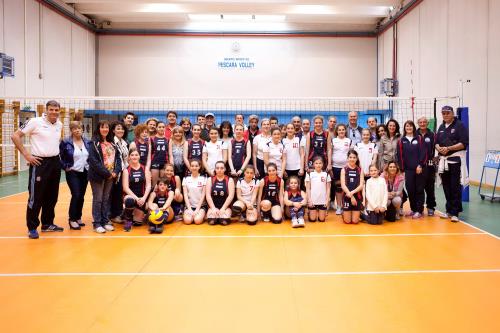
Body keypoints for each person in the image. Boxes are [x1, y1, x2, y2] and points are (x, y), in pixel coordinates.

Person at [11, 100, 64, 238]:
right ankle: (32, 227)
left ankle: (47, 224)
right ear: (46, 110)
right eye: (51, 109)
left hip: (55, 162)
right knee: (36, 197)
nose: (54, 112)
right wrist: (26, 155)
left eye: (56, 110)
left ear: (59, 111)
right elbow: (15, 136)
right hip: (40, 163)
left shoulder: (59, 124)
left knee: (52, 196)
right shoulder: (35, 121)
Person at [435, 105, 469, 222]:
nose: (445, 115)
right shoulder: (441, 126)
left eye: (447, 113)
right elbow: (436, 142)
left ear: (452, 113)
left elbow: (464, 143)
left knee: (455, 186)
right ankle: (448, 210)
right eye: (443, 113)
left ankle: (455, 212)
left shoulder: (459, 125)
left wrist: (449, 148)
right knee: (446, 187)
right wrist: (439, 148)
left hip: (455, 160)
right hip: (443, 161)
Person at [88, 120, 122, 233]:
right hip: (98, 176)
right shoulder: (93, 143)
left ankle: (105, 221)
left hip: (111, 176)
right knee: (98, 199)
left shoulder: (112, 143)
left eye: (107, 127)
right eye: (102, 127)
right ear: (98, 129)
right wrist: (107, 174)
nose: (105, 129)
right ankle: (97, 223)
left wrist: (115, 172)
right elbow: (93, 161)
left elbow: (118, 158)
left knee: (106, 199)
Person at [59, 121, 90, 230]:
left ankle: (78, 217)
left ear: (82, 129)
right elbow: (59, 157)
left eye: (79, 128)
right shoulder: (65, 142)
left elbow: (89, 157)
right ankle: (72, 219)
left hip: (85, 171)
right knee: (76, 194)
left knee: (81, 196)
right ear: (71, 130)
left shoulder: (87, 142)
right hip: (72, 172)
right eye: (74, 128)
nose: (77, 130)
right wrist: (65, 167)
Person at [396, 120, 427, 219]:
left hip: (418, 169)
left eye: (410, 126)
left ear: (413, 127)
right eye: (407, 126)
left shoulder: (419, 138)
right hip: (408, 170)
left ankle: (419, 210)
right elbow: (400, 156)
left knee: (419, 189)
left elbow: (424, 153)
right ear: (404, 128)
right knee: (410, 189)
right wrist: (402, 169)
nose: (408, 128)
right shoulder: (401, 141)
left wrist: (420, 165)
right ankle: (413, 209)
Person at [122, 149, 152, 231]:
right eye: (132, 155)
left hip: (142, 199)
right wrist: (136, 198)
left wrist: (144, 198)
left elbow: (148, 185)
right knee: (129, 201)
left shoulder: (145, 169)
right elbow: (125, 188)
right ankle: (127, 221)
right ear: (129, 157)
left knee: (138, 223)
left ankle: (129, 213)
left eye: (136, 155)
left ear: (139, 156)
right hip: (131, 197)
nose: (134, 157)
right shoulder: (126, 170)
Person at [327, 124, 351, 215]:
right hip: (335, 167)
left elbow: (351, 154)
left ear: (345, 131)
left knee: (347, 187)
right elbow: (330, 152)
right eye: (339, 130)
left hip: (346, 167)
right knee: (338, 187)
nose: (341, 131)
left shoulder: (349, 141)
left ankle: (346, 205)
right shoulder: (334, 141)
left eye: (343, 129)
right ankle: (339, 207)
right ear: (337, 131)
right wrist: (330, 165)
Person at [109, 121, 129, 224]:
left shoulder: (124, 142)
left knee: (118, 193)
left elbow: (126, 158)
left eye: (122, 129)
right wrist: (115, 171)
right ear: (113, 130)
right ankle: (108, 216)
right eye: (118, 128)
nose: (120, 130)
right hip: (114, 172)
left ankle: (116, 215)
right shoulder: (111, 142)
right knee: (110, 194)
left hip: (123, 172)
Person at [417, 116, 436, 216]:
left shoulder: (432, 135)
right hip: (419, 165)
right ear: (418, 123)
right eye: (420, 122)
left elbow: (438, 146)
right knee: (419, 188)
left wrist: (437, 157)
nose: (422, 124)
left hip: (429, 164)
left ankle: (430, 207)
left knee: (430, 188)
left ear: (427, 123)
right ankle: (419, 208)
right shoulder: (415, 134)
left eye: (424, 122)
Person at [206, 161, 234, 225]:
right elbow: (208, 195)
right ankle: (216, 215)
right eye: (217, 168)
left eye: (221, 168)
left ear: (225, 169)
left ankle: (220, 216)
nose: (219, 170)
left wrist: (223, 208)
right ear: (215, 169)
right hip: (213, 206)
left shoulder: (230, 180)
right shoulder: (210, 179)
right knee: (212, 221)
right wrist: (213, 208)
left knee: (224, 221)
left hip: (226, 207)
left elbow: (231, 196)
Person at [341, 149, 364, 224]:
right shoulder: (344, 170)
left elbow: (361, 186)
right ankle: (344, 212)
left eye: (354, 157)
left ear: (356, 159)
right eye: (350, 157)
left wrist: (352, 193)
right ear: (347, 158)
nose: (352, 159)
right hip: (347, 196)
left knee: (355, 221)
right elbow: (343, 185)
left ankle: (359, 213)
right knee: (347, 221)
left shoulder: (360, 170)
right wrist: (351, 196)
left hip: (357, 196)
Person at [305, 156, 331, 223]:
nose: (318, 165)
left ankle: (322, 212)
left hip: (322, 200)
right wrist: (309, 200)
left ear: (323, 164)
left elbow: (328, 188)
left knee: (322, 220)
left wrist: (327, 200)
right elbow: (308, 188)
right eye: (316, 163)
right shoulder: (310, 174)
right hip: (313, 200)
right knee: (312, 220)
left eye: (320, 163)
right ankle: (309, 212)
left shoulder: (326, 174)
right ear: (313, 164)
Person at [182, 160, 207, 225]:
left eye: (196, 166)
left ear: (199, 167)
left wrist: (197, 209)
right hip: (189, 206)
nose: (194, 168)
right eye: (192, 166)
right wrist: (190, 209)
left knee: (197, 220)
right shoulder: (186, 178)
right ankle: (187, 213)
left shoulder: (204, 178)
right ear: (190, 167)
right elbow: (185, 195)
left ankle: (203, 215)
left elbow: (203, 195)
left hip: (201, 206)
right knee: (188, 221)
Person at [150, 121, 168, 186]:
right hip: (155, 162)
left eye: (163, 127)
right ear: (156, 128)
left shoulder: (167, 139)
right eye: (159, 127)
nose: (161, 128)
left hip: (164, 163)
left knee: (163, 184)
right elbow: (150, 153)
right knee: (154, 185)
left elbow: (169, 153)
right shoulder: (152, 139)